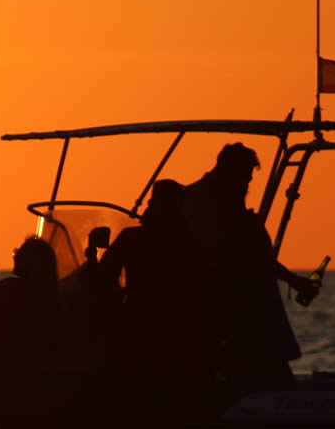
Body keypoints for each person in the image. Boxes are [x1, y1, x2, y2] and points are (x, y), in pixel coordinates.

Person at [183, 144, 317, 384]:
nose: (246, 186)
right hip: (225, 314)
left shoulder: (228, 203)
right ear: (228, 170)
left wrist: (294, 281)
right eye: (243, 178)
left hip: (250, 314)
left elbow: (257, 259)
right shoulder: (198, 202)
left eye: (248, 179)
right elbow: (222, 255)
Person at [99, 180, 215, 381]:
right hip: (180, 338)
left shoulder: (132, 238)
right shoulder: (192, 243)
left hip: (140, 333)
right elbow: (206, 290)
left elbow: (102, 276)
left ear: (153, 205)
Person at [0, 237, 62, 368]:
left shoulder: (8, 289)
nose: (15, 257)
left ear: (29, 262)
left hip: (7, 369)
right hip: (43, 369)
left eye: (18, 253)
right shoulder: (55, 297)